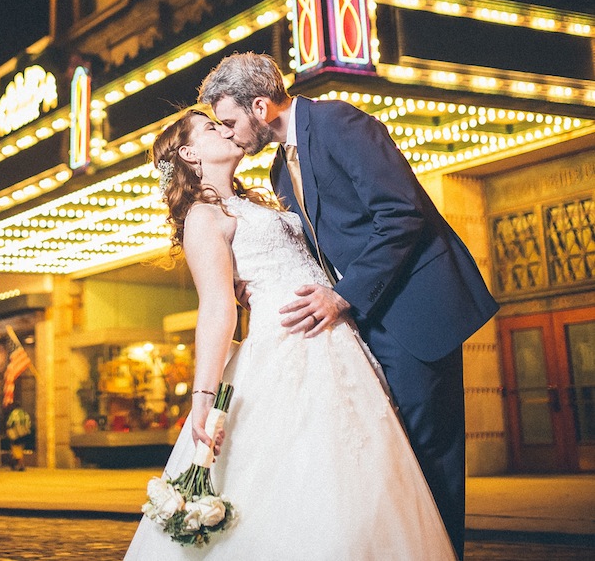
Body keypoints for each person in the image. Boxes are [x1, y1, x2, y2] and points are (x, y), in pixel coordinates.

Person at [199, 53, 499, 559]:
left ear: (260, 105)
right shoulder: (277, 171)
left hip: (413, 313)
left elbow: (402, 215)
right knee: (396, 464)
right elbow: (321, 248)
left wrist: (341, 295)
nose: (230, 135)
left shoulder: (339, 122)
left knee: (430, 457)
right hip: (364, 323)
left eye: (230, 122)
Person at [124, 110, 457, 560]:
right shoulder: (203, 217)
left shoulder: (263, 198)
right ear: (189, 154)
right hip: (286, 349)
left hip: (339, 340)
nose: (224, 130)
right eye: (210, 128)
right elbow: (218, 307)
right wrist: (203, 396)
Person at [5, 405, 31, 471]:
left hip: (15, 434)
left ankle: (20, 464)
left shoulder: (14, 413)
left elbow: (9, 423)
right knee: (20, 449)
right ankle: (18, 464)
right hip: (25, 433)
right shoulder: (25, 413)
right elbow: (29, 424)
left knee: (16, 448)